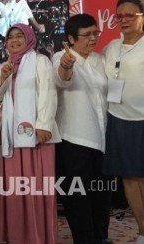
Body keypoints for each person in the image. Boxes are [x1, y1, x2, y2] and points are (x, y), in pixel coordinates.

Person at [0, 23, 60, 244]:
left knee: (36, 189)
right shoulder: (7, 64)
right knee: (15, 189)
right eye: (10, 37)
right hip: (11, 138)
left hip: (36, 137)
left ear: (30, 38)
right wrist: (2, 76)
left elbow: (48, 93)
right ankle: (17, 235)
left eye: (20, 36)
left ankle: (38, 236)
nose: (14, 41)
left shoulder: (40, 61)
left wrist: (44, 125)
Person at [53, 13, 111, 244]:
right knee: (77, 196)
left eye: (95, 33)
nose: (93, 39)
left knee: (102, 193)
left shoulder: (100, 59)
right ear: (71, 38)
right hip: (73, 140)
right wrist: (66, 67)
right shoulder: (61, 57)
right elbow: (62, 78)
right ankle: (84, 239)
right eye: (86, 35)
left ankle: (101, 236)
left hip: (102, 138)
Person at [102, 0, 144, 244]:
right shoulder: (112, 47)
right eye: (120, 16)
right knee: (129, 176)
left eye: (130, 15)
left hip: (143, 119)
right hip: (118, 118)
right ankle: (142, 231)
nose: (124, 20)